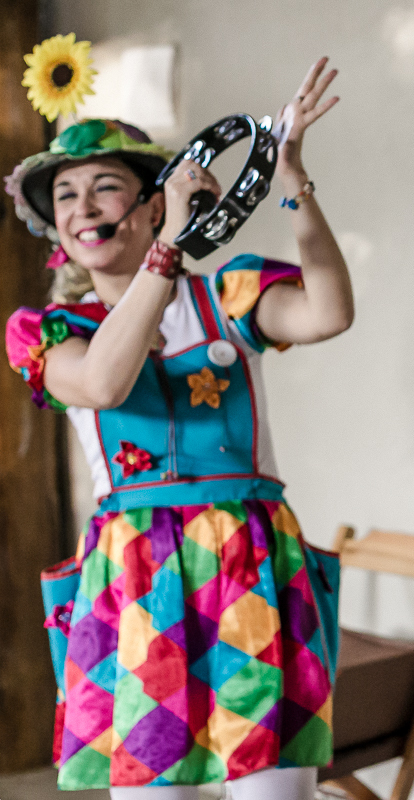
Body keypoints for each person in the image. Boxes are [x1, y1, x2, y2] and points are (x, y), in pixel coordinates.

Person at [5, 57, 350, 799]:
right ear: (56, 227)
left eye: (105, 185)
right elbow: (104, 382)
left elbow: (328, 312)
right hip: (135, 580)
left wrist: (293, 183)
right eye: (65, 194)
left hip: (252, 566)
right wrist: (169, 252)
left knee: (275, 791)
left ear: (154, 202)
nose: (83, 206)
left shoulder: (229, 295)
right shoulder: (49, 330)